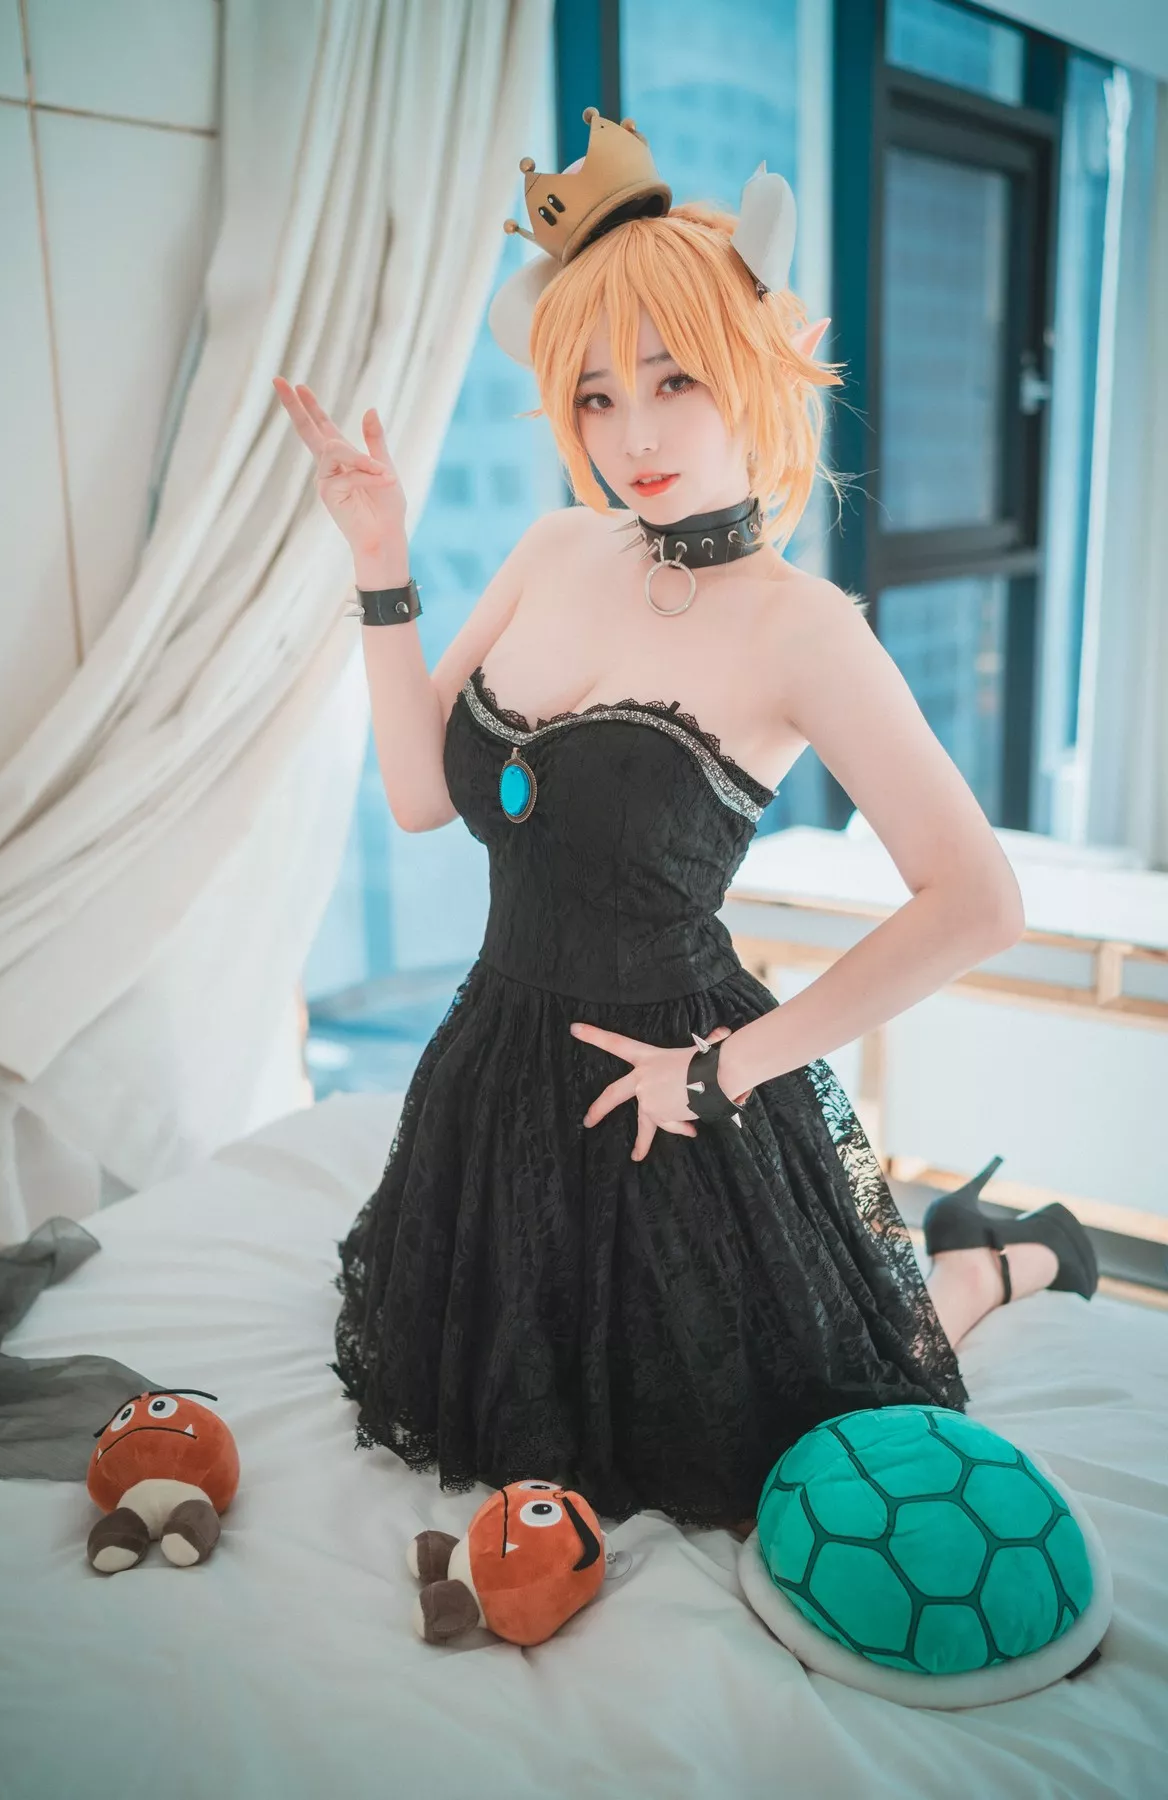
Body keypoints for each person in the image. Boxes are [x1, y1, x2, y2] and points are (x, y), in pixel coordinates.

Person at [271, 111, 1097, 1537]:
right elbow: (419, 794)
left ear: (754, 370)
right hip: (493, 1082)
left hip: (679, 1101)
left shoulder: (803, 631)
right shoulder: (553, 547)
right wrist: (380, 560)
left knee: (817, 1405)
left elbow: (980, 903)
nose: (633, 434)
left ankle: (1000, 1259)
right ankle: (966, 1249)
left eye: (673, 378)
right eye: (595, 396)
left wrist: (725, 1072)